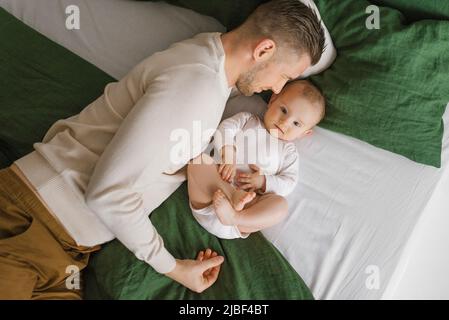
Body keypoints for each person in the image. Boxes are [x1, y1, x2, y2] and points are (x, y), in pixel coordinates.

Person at [0, 0, 326, 298]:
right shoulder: (196, 89)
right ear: (264, 49)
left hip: (65, 247)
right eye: (284, 75)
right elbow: (108, 194)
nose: (279, 89)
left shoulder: (209, 58)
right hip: (31, 222)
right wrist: (173, 267)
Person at [187, 80, 325, 239]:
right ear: (273, 100)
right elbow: (225, 129)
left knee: (280, 205)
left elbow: (289, 182)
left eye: (296, 123)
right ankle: (232, 196)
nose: (284, 122)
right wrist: (228, 157)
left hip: (243, 216)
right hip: (210, 198)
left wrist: (262, 181)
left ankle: (234, 216)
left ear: (304, 133)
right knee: (198, 161)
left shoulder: (288, 152)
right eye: (284, 110)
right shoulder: (247, 120)